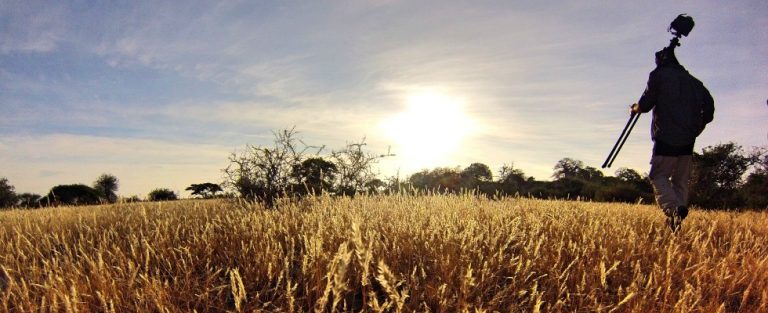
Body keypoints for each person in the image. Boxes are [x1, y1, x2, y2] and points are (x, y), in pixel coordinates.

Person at [631, 47, 714, 232]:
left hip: (666, 137)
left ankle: (673, 209)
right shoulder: (695, 82)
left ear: (660, 61)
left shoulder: (658, 75)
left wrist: (635, 108)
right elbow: (709, 111)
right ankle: (676, 223)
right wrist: (698, 127)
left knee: (658, 175)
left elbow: (645, 104)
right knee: (680, 181)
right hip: (688, 139)